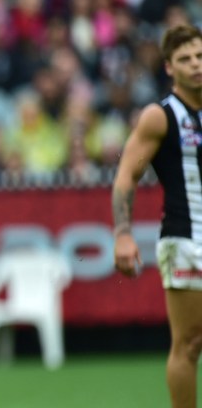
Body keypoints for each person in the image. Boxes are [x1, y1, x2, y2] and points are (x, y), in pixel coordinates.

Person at [112, 24, 202, 408]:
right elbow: (126, 177)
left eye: (200, 56)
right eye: (185, 59)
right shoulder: (160, 116)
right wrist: (122, 233)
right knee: (189, 343)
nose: (196, 65)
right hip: (186, 238)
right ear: (169, 68)